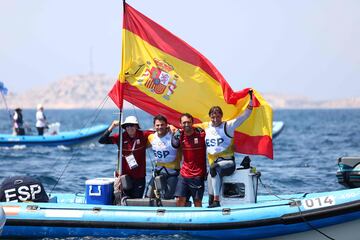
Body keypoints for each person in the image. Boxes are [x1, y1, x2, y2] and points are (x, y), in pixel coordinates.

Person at [196, 90, 254, 208]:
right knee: (210, 195)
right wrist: (172, 127)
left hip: (228, 163)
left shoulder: (228, 126)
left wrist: (251, 100)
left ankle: (217, 201)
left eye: (218, 116)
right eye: (213, 116)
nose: (215, 119)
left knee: (214, 169)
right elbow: (188, 127)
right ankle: (213, 203)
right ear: (210, 117)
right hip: (213, 166)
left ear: (221, 116)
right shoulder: (205, 126)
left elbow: (245, 115)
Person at [98, 116, 152, 201]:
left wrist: (171, 127)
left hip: (139, 177)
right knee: (124, 201)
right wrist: (112, 126)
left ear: (136, 126)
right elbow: (102, 140)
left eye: (132, 125)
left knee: (136, 202)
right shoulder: (121, 137)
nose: (129, 128)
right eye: (127, 125)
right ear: (124, 127)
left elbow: (159, 132)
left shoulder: (144, 134)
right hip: (124, 177)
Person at [172, 113, 207, 207]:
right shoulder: (180, 135)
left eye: (188, 122)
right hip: (184, 174)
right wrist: (174, 133)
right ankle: (181, 221)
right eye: (184, 122)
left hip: (197, 175)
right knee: (180, 200)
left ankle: (199, 220)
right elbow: (174, 144)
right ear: (180, 124)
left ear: (192, 123)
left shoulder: (201, 134)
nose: (186, 124)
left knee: (197, 202)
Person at [146, 115, 181, 200]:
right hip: (158, 172)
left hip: (172, 173)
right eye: (157, 125)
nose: (160, 127)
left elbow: (182, 132)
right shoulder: (151, 137)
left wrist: (175, 129)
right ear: (154, 126)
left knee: (168, 197)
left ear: (166, 125)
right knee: (148, 195)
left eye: (162, 125)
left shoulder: (173, 135)